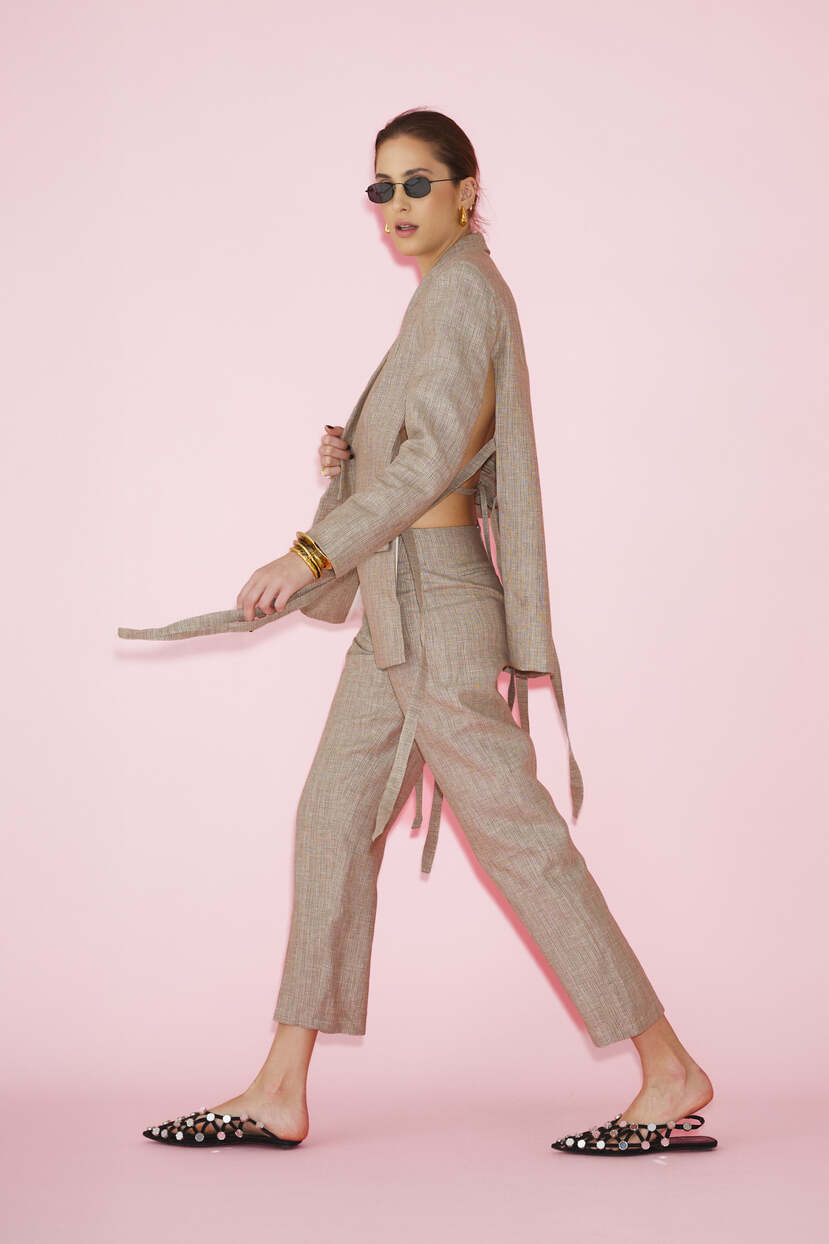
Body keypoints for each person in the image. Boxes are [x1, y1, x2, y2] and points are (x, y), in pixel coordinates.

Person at [138, 109, 715, 1156]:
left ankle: (668, 1067)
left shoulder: (461, 294)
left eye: (416, 183)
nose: (396, 205)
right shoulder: (446, 294)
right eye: (381, 188)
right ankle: (280, 1087)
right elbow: (435, 449)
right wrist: (352, 449)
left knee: (521, 845)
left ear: (465, 190)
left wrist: (310, 553)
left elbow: (429, 462)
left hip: (439, 608)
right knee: (330, 820)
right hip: (398, 607)